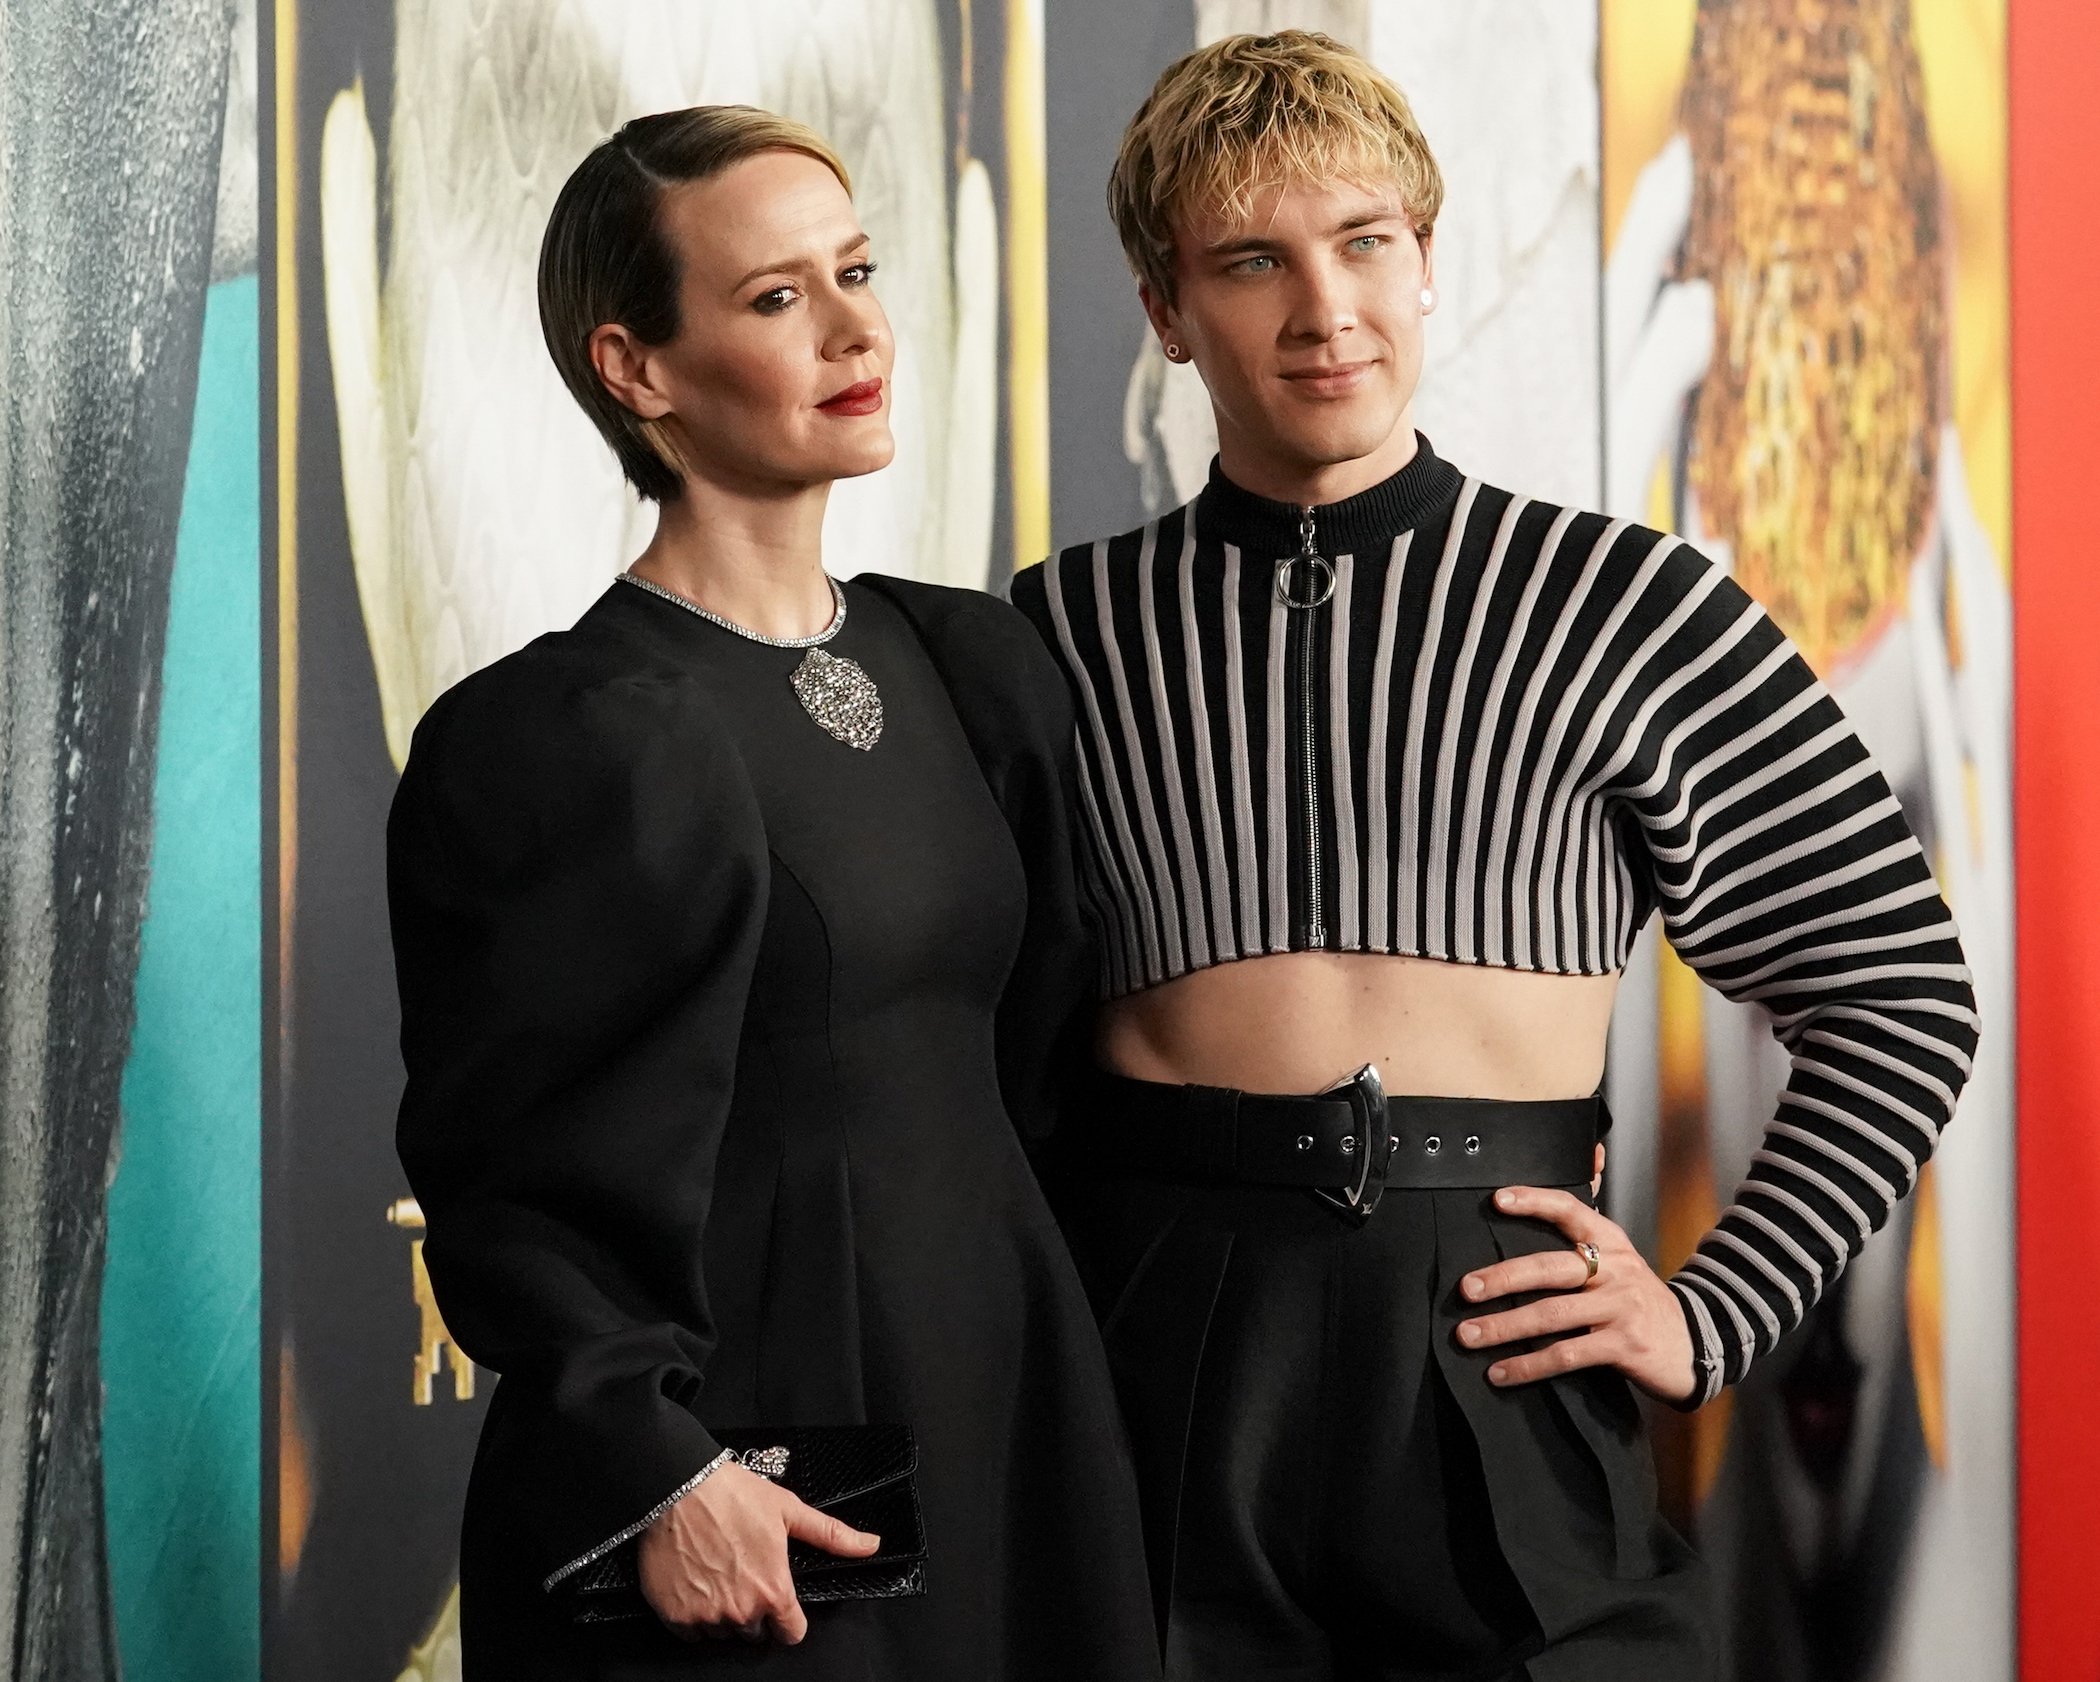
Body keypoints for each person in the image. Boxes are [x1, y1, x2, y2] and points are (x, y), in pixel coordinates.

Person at [1009, 32, 1977, 1682]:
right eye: (1253, 262)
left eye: (1366, 242)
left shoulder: (1633, 607)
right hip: (1162, 1330)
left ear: (1429, 262)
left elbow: (1897, 988)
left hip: (1498, 1318)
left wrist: (1708, 1310)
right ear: (1168, 312)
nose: (1325, 310)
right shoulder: (1048, 639)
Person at [387, 105, 1158, 1681]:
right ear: (638, 369)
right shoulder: (563, 734)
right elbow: (506, 1184)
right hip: (752, 1469)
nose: (857, 325)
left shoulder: (972, 664)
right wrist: (656, 1470)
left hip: (1010, 1407)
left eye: (857, 269)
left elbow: (1037, 1067)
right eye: (777, 297)